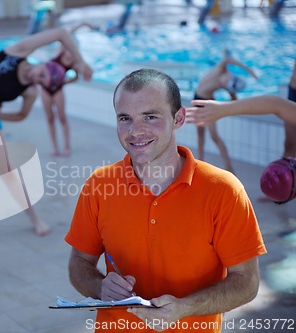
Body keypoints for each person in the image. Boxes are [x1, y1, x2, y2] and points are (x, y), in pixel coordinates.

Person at [65, 69, 266, 332]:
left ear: (178, 118)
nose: (135, 131)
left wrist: (186, 307)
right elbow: (79, 262)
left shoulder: (223, 190)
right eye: (125, 118)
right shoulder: (99, 185)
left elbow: (247, 282)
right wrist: (99, 286)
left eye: (150, 116)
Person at [0, 27, 92, 240]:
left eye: (41, 81)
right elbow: (61, 33)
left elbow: (22, 115)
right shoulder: (17, 51)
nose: (36, 78)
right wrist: (81, 62)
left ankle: (36, 220)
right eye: (41, 73)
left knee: (6, 170)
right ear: (43, 63)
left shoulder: (30, 90)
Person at [194, 49, 258, 174]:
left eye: (228, 85)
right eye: (227, 81)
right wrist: (249, 70)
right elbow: (228, 59)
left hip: (208, 103)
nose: (225, 83)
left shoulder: (228, 86)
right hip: (196, 99)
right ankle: (199, 161)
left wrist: (227, 102)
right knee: (200, 132)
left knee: (214, 136)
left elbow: (234, 102)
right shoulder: (221, 69)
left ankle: (229, 168)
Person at [40, 22, 94, 156]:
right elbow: (67, 33)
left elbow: (76, 77)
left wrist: (64, 82)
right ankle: (54, 147)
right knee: (50, 118)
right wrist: (82, 24)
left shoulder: (75, 64)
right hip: (45, 88)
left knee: (62, 117)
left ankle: (67, 146)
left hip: (58, 89)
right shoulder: (61, 51)